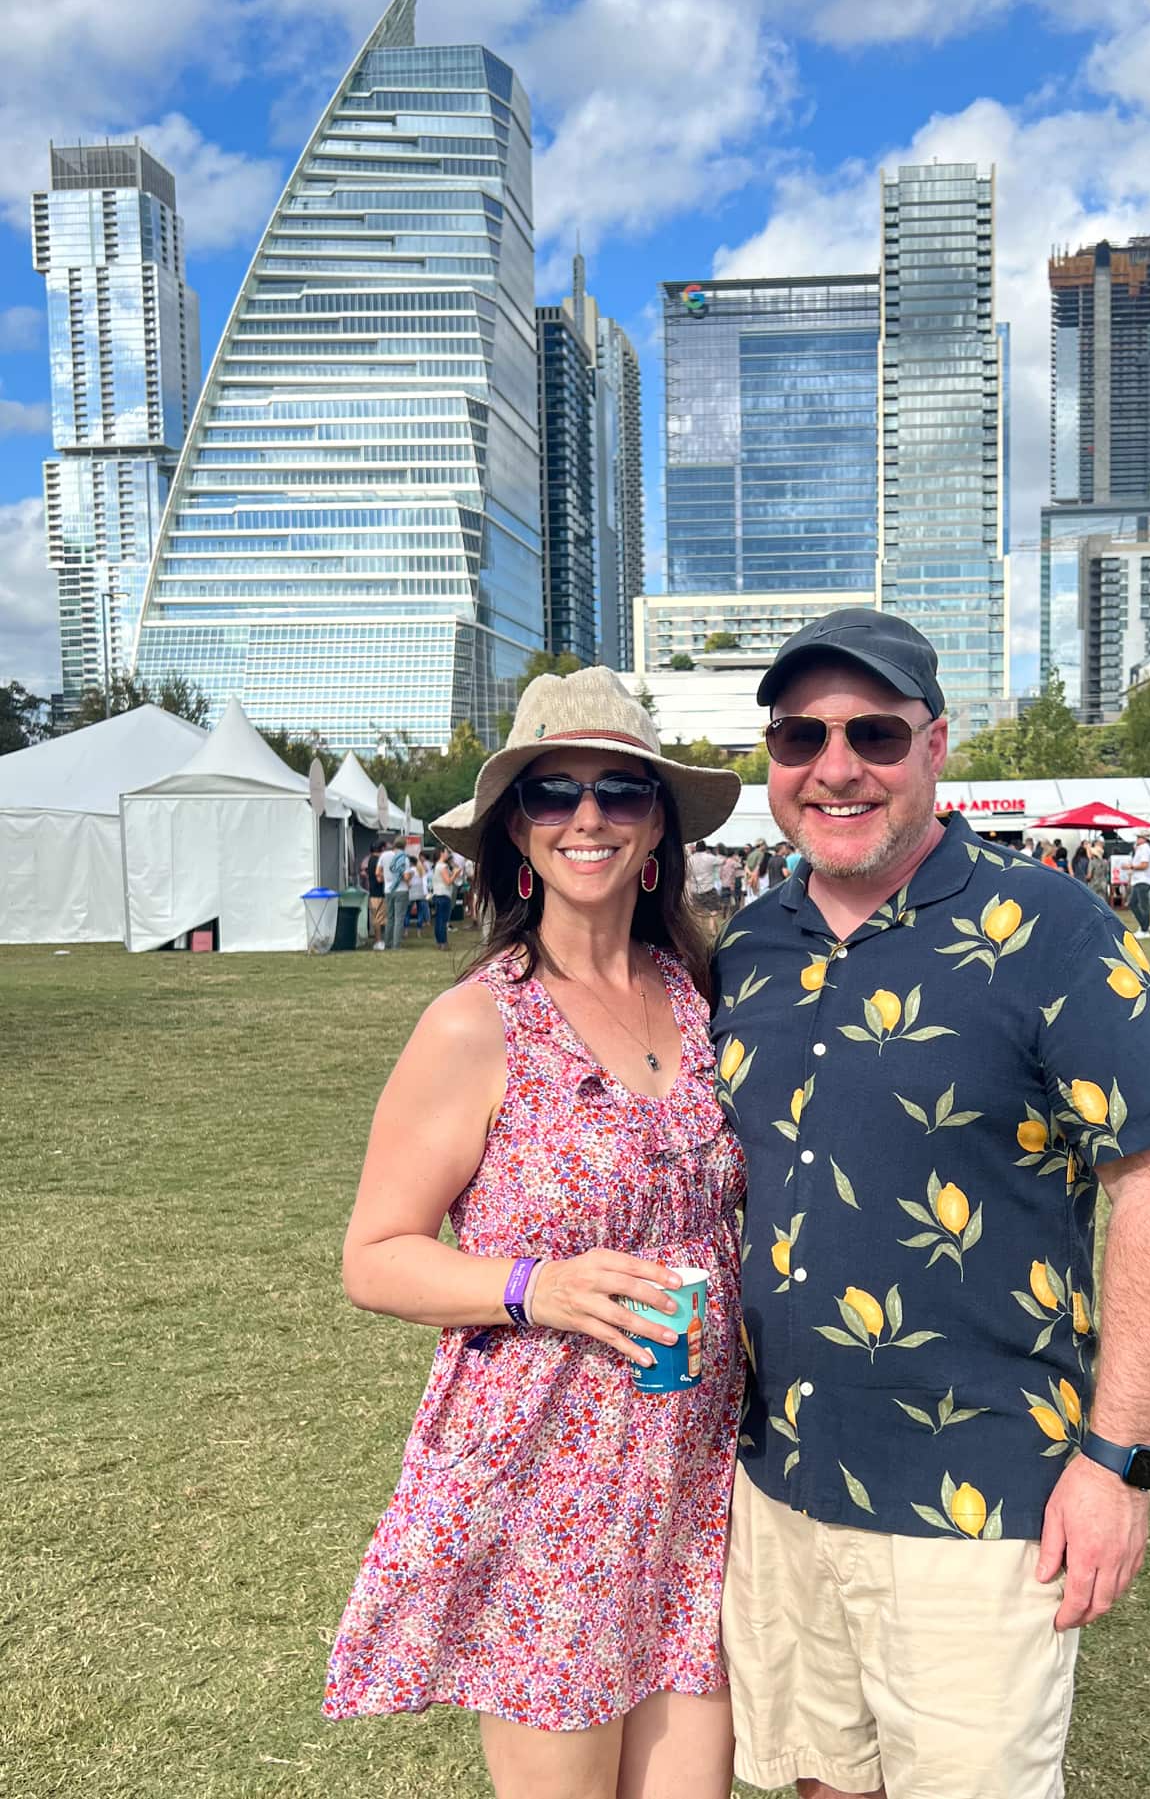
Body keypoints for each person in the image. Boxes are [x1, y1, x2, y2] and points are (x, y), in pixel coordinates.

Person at [711, 607, 1150, 1799]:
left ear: (938, 745)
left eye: (873, 732)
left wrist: (1119, 1463)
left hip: (980, 1499)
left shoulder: (1053, 927)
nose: (835, 768)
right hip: (777, 1483)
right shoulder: (748, 946)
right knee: (821, 1781)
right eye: (799, 737)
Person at [324, 666, 745, 1797]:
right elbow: (374, 1255)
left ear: (659, 826)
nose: (588, 818)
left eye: (621, 791)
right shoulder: (476, 1020)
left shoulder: (705, 989)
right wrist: (534, 1287)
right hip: (547, 1487)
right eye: (553, 793)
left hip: (696, 1480)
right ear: (516, 830)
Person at [381, 842, 412, 951]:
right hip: (401, 889)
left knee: (390, 918)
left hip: (388, 890)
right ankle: (396, 945)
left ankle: (387, 944)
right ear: (404, 846)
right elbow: (406, 876)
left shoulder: (384, 856)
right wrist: (410, 877)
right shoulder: (404, 858)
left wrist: (385, 879)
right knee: (399, 918)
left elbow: (378, 872)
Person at [1126, 829, 1150, 938]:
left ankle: (1145, 929)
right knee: (1137, 904)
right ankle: (1144, 925)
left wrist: (1131, 867)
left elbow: (1144, 865)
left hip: (1142, 880)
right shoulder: (1144, 849)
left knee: (1141, 905)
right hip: (1140, 880)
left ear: (1144, 839)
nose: (1137, 839)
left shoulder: (1144, 849)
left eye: (1138, 837)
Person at [366, 839, 388, 951]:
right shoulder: (377, 861)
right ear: (382, 849)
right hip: (379, 893)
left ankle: (378, 941)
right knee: (379, 919)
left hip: (373, 893)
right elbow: (379, 878)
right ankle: (379, 941)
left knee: (376, 918)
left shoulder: (370, 860)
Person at [431, 848, 456, 950]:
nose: (447, 854)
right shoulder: (443, 866)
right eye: (446, 852)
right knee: (443, 920)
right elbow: (448, 881)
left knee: (438, 920)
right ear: (441, 853)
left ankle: (439, 942)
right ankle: (443, 942)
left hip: (437, 894)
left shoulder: (437, 865)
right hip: (444, 895)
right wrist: (455, 874)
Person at [407, 850, 430, 935]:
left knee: (407, 912)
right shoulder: (420, 870)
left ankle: (406, 931)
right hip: (420, 893)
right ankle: (419, 931)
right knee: (420, 912)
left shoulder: (409, 871)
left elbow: (407, 882)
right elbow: (424, 881)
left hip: (411, 893)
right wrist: (425, 892)